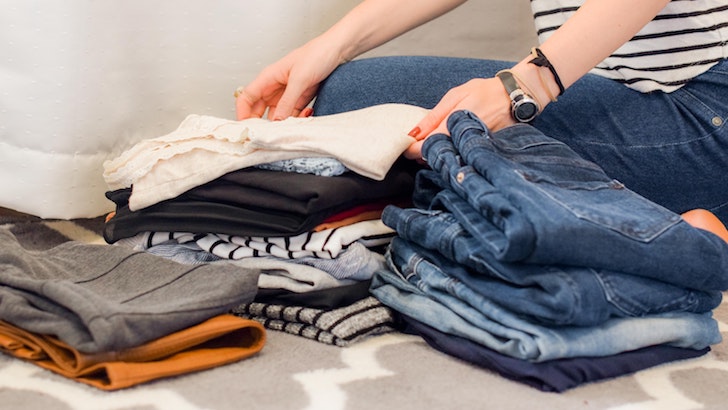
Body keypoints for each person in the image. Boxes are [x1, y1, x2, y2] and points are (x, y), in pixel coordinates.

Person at [234, 0, 728, 230]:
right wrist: (329, 47)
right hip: (616, 97)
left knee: (354, 99)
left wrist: (529, 85)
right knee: (344, 94)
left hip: (698, 112)